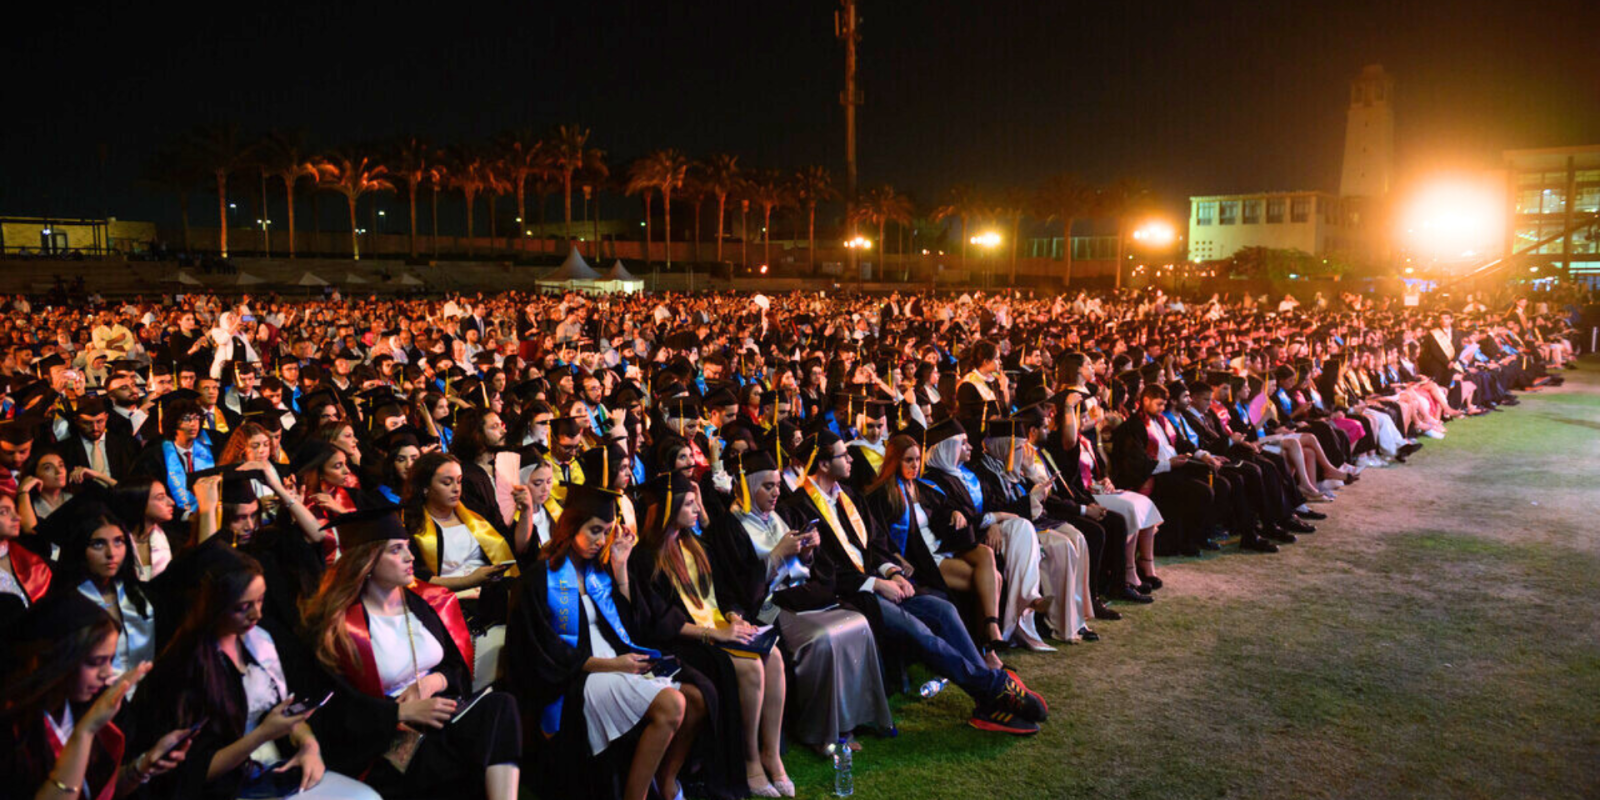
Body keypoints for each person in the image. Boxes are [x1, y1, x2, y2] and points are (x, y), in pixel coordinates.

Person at [782, 429, 1045, 736]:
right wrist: (875, 584)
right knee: (919, 631)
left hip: (880, 582)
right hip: (851, 597)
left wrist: (891, 572)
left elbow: (876, 545)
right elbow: (823, 572)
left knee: (942, 609)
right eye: (843, 455)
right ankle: (993, 690)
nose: (851, 458)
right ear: (824, 465)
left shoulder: (849, 496)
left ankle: (986, 695)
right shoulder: (798, 509)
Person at [300, 507, 523, 800]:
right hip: (386, 742)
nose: (411, 557)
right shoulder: (338, 627)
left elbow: (454, 667)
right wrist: (399, 712)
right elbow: (332, 709)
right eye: (396, 550)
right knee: (467, 759)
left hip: (439, 714)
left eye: (407, 547)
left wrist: (432, 683)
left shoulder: (422, 605)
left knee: (500, 707)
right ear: (367, 561)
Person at [503, 482, 707, 800]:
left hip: (617, 665)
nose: (601, 541)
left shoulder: (600, 573)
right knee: (673, 703)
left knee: (696, 698)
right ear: (571, 526)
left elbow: (634, 628)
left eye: (607, 532)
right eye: (595, 530)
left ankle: (666, 784)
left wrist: (621, 566)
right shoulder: (539, 580)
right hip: (576, 679)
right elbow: (541, 651)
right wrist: (612, 664)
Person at [131, 546, 379, 799]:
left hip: (273, 767)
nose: (257, 614)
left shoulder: (262, 638)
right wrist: (263, 734)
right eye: (243, 607)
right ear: (213, 607)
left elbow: (285, 714)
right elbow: (191, 771)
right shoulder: (186, 667)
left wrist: (308, 745)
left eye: (261, 601)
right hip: (223, 785)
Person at [708, 449, 893, 755]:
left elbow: (807, 569)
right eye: (767, 486)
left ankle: (853, 721)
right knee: (821, 639)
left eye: (778, 485)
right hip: (766, 607)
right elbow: (738, 588)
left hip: (800, 595)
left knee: (858, 624)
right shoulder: (729, 527)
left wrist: (808, 551)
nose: (776, 492)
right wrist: (778, 554)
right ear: (748, 487)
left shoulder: (782, 515)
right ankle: (820, 733)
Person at [630, 471, 790, 797]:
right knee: (749, 666)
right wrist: (715, 635)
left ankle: (771, 756)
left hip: (718, 626)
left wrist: (733, 616)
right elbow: (660, 622)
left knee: (773, 656)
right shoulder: (645, 558)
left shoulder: (696, 545)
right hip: (685, 641)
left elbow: (724, 593)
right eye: (688, 504)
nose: (696, 509)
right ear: (667, 510)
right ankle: (748, 763)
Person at [0, 594, 190, 799]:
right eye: (95, 662)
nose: (108, 673)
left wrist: (142, 766)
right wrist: (85, 731)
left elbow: (96, 791)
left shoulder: (78, 703)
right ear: (58, 660)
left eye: (110, 660)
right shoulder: (12, 728)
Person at [49, 505, 158, 684]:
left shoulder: (140, 596)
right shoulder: (63, 606)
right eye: (98, 544)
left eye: (118, 541)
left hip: (143, 697)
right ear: (79, 550)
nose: (111, 553)